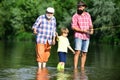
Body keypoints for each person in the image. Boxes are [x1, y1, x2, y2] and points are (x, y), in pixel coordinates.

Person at [71, 1, 94, 69]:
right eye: (78, 7)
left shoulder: (88, 14)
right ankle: (75, 68)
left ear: (84, 7)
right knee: (77, 51)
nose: (80, 8)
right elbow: (73, 27)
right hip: (78, 36)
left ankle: (82, 68)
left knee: (84, 53)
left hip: (87, 37)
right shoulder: (75, 16)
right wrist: (82, 30)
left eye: (81, 6)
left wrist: (91, 30)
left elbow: (90, 25)